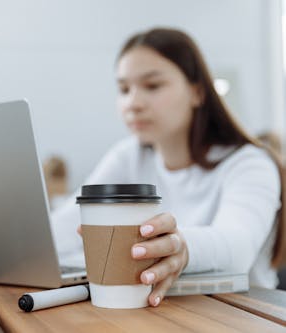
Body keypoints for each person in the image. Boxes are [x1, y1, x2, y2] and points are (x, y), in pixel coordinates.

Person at [50, 27, 284, 307]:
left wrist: (180, 247)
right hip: (160, 312)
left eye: (152, 86)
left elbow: (237, 247)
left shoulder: (249, 163)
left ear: (197, 92)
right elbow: (63, 231)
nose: (132, 103)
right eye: (124, 89)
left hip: (241, 314)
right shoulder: (129, 156)